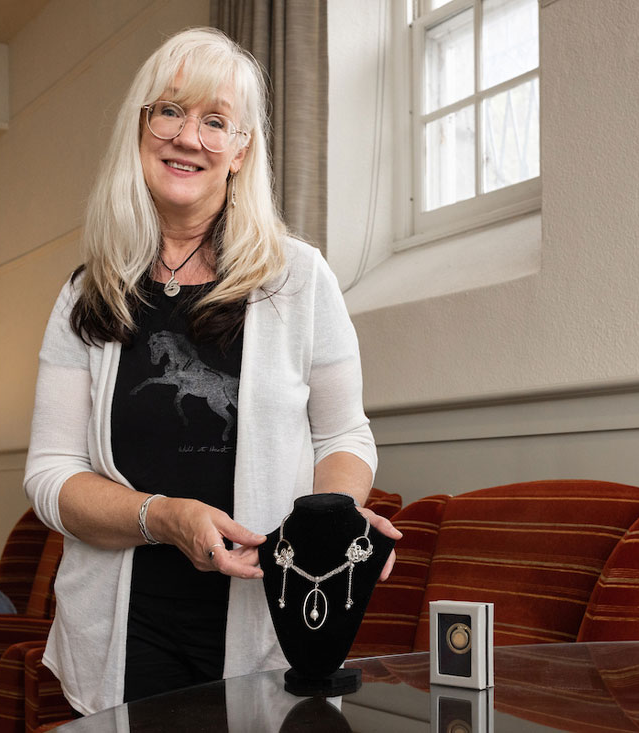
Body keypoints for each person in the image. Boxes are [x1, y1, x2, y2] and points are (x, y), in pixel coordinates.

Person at [23, 27, 399, 715]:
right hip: (119, 636)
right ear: (140, 128)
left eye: (215, 120)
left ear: (242, 149)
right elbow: (50, 474)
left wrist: (335, 519)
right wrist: (161, 517)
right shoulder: (87, 295)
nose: (187, 137)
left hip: (268, 622)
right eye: (169, 111)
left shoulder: (300, 279)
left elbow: (345, 434)